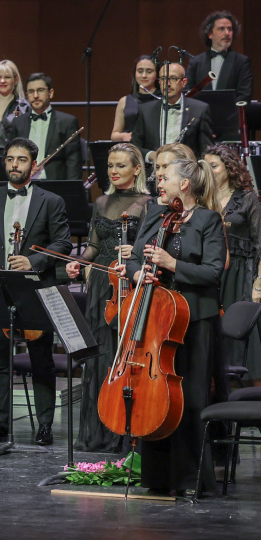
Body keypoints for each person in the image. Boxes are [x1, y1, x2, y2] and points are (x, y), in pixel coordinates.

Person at [123, 157, 225, 497]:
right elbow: (135, 257)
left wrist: (172, 264)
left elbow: (212, 272)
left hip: (195, 320)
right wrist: (138, 272)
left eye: (164, 177)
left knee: (190, 398)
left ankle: (191, 480)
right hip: (157, 319)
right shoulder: (156, 213)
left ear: (185, 184)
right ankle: (158, 477)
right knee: (158, 397)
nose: (158, 183)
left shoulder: (209, 220)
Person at [0, 138, 72, 446]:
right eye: (10, 159)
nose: (15, 164)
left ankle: (44, 426)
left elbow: (63, 243)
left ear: (34, 165)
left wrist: (34, 260)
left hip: (34, 289)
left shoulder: (51, 200)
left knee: (41, 359)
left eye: (22, 159)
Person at [65, 143, 151, 452]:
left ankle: (125, 431)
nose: (113, 171)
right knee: (100, 353)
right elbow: (93, 245)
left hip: (127, 280)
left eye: (121, 166)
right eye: (110, 166)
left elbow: (146, 249)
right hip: (102, 282)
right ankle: (100, 431)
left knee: (123, 352)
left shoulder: (148, 204)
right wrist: (78, 261)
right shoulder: (100, 202)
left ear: (137, 169)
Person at [204, 143, 261, 385]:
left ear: (229, 168)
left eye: (214, 166)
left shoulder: (247, 199)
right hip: (213, 274)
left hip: (241, 273)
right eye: (205, 166)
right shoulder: (201, 200)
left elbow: (260, 242)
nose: (209, 170)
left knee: (244, 333)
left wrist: (258, 282)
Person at [131, 63, 214, 164]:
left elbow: (206, 150)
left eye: (173, 78)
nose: (168, 83)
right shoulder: (145, 110)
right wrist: (151, 155)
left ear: (184, 82)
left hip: (187, 174)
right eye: (163, 79)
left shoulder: (200, 109)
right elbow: (134, 146)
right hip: (153, 173)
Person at [18, 73, 82, 180]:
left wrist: (71, 191)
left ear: (50, 93)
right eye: (31, 91)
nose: (35, 96)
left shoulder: (67, 122)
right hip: (25, 184)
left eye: (40, 90)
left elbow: (73, 162)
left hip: (54, 186)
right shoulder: (18, 123)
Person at [185, 10, 253, 103]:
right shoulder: (196, 62)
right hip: (201, 116)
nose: (227, 33)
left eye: (229, 29)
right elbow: (188, 94)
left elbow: (244, 95)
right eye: (221, 29)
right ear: (210, 34)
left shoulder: (242, 61)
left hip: (229, 116)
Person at [111, 56, 161, 142]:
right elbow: (114, 135)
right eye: (140, 71)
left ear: (157, 75)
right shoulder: (124, 101)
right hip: (131, 150)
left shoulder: (162, 99)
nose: (144, 75)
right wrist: (123, 136)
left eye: (149, 72)